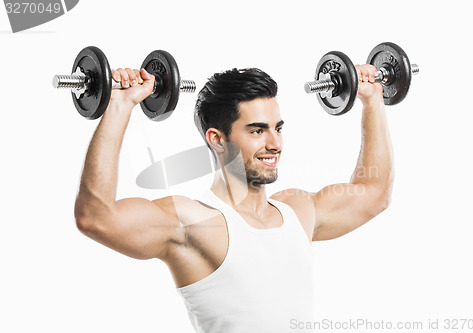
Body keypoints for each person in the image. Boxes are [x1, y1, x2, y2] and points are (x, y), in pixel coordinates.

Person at [74, 63, 393, 332]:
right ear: (217, 139)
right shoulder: (192, 222)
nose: (274, 143)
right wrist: (120, 106)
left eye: (277, 128)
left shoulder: (298, 210)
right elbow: (96, 217)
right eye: (257, 131)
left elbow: (374, 193)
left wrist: (373, 99)